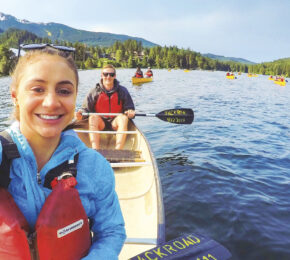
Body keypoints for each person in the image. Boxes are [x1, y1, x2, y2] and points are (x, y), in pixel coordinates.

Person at [1, 46, 126, 259]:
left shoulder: (95, 168)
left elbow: (112, 232)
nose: (51, 103)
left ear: (75, 97)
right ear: (15, 96)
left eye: (64, 91)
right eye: (37, 89)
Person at [76, 64, 135, 150]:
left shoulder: (122, 91)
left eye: (111, 74)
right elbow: (85, 109)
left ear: (115, 76)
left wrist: (130, 112)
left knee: (123, 118)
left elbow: (129, 108)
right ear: (101, 75)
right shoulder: (94, 91)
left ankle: (118, 151)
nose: (108, 77)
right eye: (105, 74)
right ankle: (95, 150)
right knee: (93, 117)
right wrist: (81, 114)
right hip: (101, 123)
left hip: (115, 123)